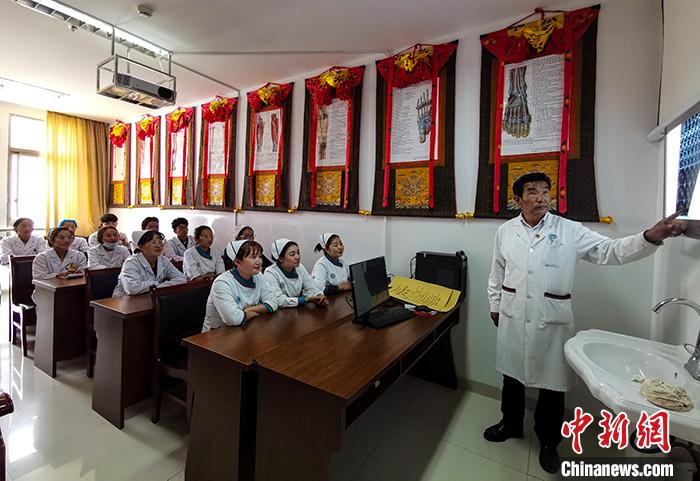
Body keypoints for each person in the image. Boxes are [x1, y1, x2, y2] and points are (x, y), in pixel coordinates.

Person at [484, 172, 685, 474]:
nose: (541, 197)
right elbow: (497, 271)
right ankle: (510, 424)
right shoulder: (505, 231)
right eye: (532, 191)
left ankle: (549, 442)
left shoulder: (569, 230)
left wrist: (649, 237)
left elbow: (609, 251)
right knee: (511, 377)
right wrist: (495, 305)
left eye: (545, 191)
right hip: (512, 316)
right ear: (517, 199)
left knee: (552, 385)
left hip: (551, 321)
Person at [202, 239, 278, 332]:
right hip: (218, 333)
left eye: (260, 257)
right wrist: (260, 310)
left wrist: (249, 310)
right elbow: (233, 319)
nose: (258, 262)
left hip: (247, 327)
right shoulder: (222, 283)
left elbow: (274, 302)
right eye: (253, 257)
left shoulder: (258, 276)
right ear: (237, 261)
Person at [112, 230, 186, 297]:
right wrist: (155, 284)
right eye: (153, 242)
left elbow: (181, 278)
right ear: (141, 246)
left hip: (150, 297)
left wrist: (161, 286)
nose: (158, 246)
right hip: (123, 301)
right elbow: (132, 288)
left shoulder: (163, 260)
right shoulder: (131, 262)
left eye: (160, 242)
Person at [264, 238, 328, 308]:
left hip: (298, 309)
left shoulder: (300, 267)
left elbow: (311, 287)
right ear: (280, 259)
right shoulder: (270, 273)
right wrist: (304, 300)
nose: (297, 257)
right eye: (292, 254)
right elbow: (278, 300)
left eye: (298, 253)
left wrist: (319, 296)